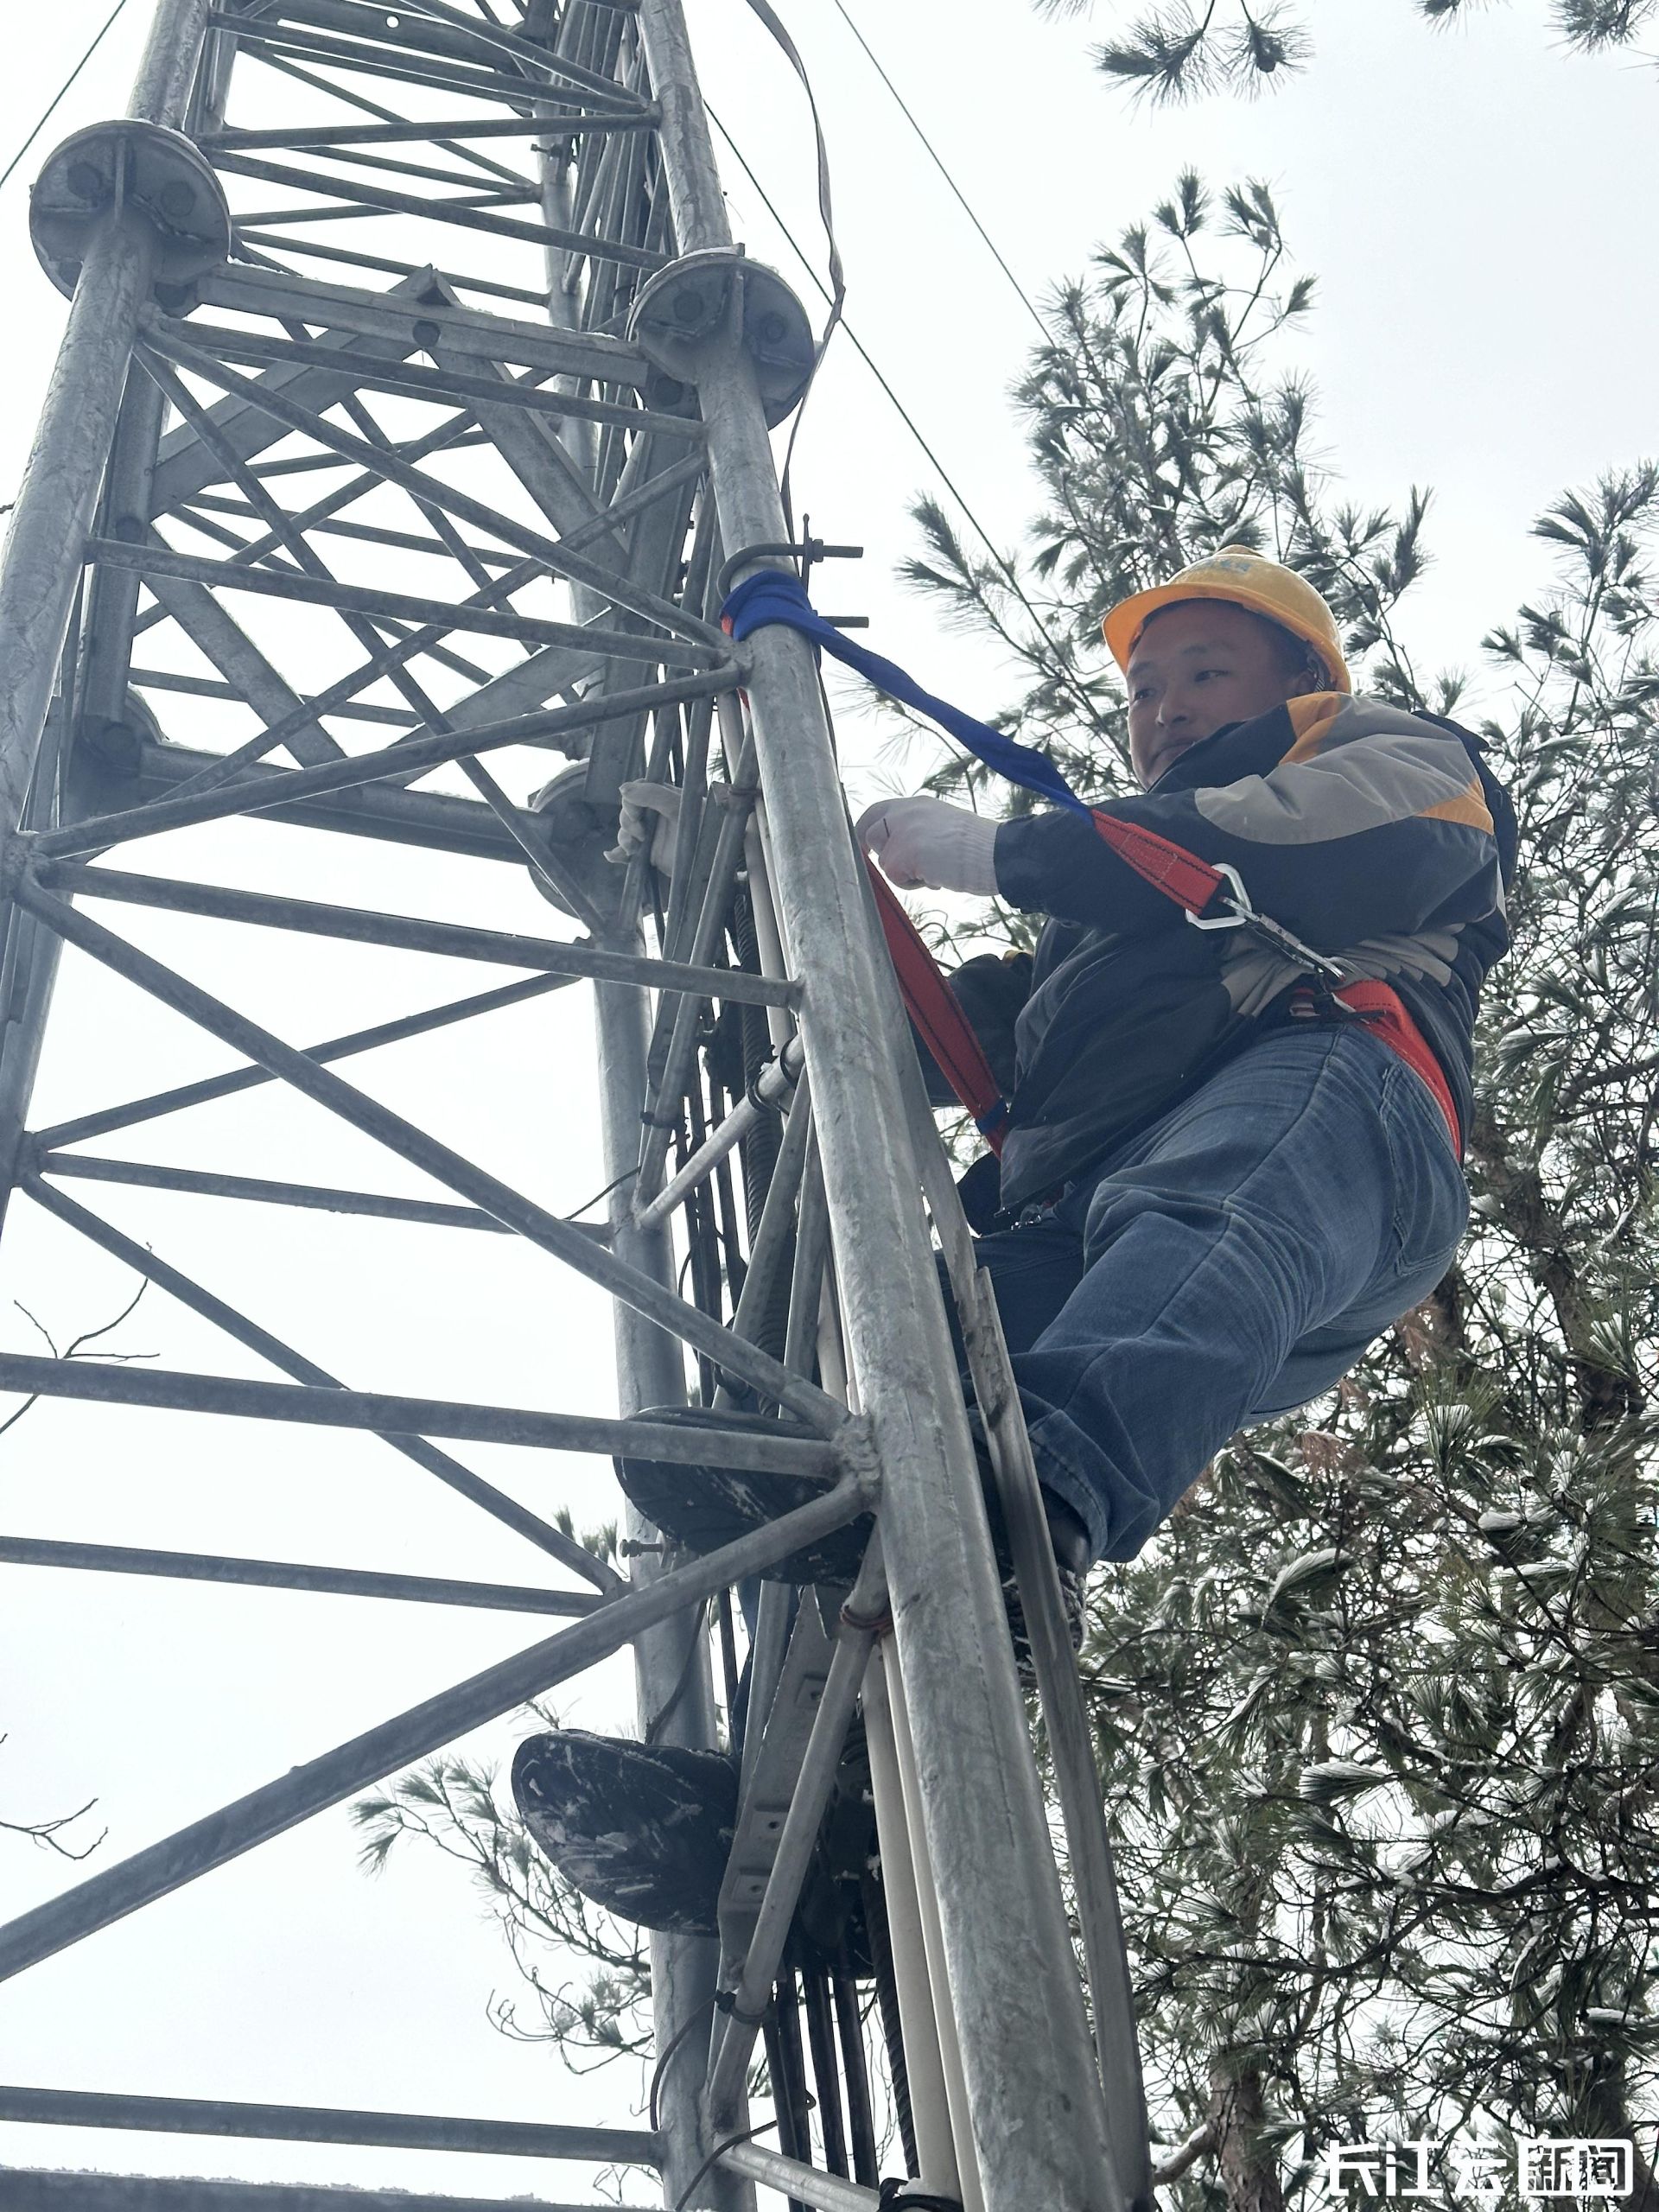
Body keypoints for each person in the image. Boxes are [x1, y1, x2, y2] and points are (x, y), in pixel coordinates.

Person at [512, 547, 1516, 1933]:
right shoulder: (1097, 946)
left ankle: (1025, 1502)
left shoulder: (1383, 754)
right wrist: (743, 876)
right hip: (1090, 1186)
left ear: (1301, 678)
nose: (1160, 709)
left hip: (1328, 1092)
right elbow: (953, 1028)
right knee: (906, 1377)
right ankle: (819, 1829)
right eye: (1144, 689)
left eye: (1202, 673)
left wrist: (1003, 856)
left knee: (1202, 1217)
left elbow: (1314, 850)